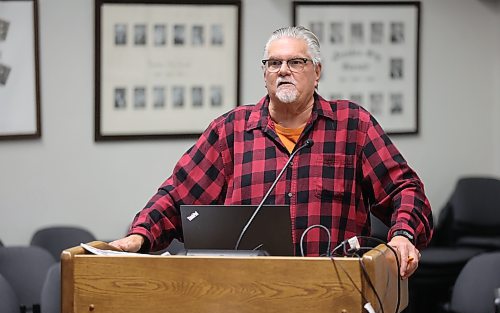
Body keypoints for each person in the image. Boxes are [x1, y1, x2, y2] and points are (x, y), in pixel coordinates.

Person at [110, 26, 433, 278]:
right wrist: (139, 236)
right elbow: (178, 195)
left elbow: (405, 189)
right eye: (274, 63)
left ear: (317, 72)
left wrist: (403, 235)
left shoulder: (352, 124)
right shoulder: (231, 130)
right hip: (249, 292)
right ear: (265, 74)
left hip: (335, 289)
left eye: (296, 62)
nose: (283, 70)